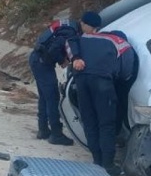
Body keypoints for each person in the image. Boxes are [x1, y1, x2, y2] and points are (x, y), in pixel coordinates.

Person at [66, 28, 133, 176]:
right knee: (106, 123)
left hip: (81, 82)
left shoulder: (85, 38)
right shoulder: (121, 43)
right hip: (102, 84)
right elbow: (126, 71)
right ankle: (108, 164)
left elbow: (70, 48)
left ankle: (97, 159)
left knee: (90, 121)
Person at [28, 11, 101, 146]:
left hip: (38, 59)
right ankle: (56, 134)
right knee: (52, 96)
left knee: (45, 96)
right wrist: (63, 60)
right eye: (93, 28)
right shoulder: (70, 31)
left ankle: (43, 129)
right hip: (42, 61)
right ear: (84, 24)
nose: (94, 32)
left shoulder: (69, 25)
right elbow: (54, 49)